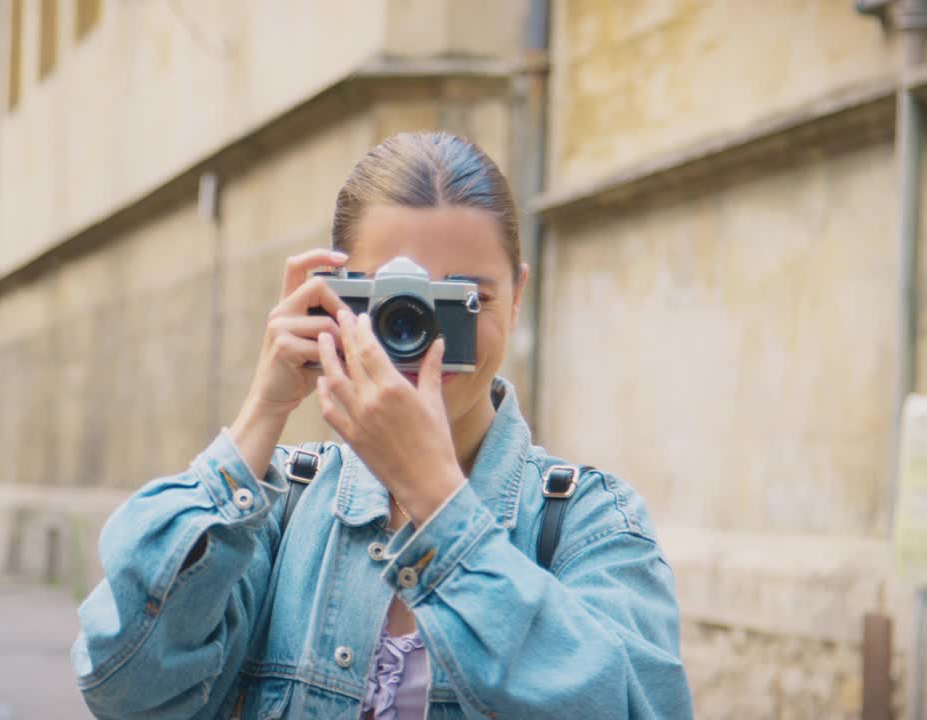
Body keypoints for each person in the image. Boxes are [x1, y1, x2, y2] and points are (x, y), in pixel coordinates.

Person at [73, 132, 694, 718]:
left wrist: (439, 503)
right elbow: (126, 689)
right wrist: (261, 415)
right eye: (396, 303)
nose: (421, 337)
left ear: (518, 291)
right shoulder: (278, 508)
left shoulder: (588, 520)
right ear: (332, 295)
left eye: (462, 300)